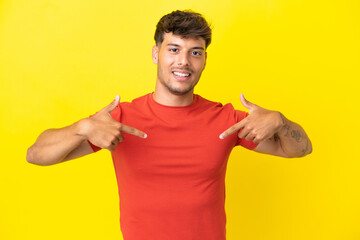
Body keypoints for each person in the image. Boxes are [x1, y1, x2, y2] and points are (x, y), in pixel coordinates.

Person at [27, 10, 312, 240]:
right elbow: (36, 155)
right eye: (174, 49)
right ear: (156, 54)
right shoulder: (119, 120)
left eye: (195, 52)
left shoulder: (226, 119)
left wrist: (279, 121)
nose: (184, 61)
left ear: (204, 60)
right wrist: (83, 127)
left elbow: (299, 149)